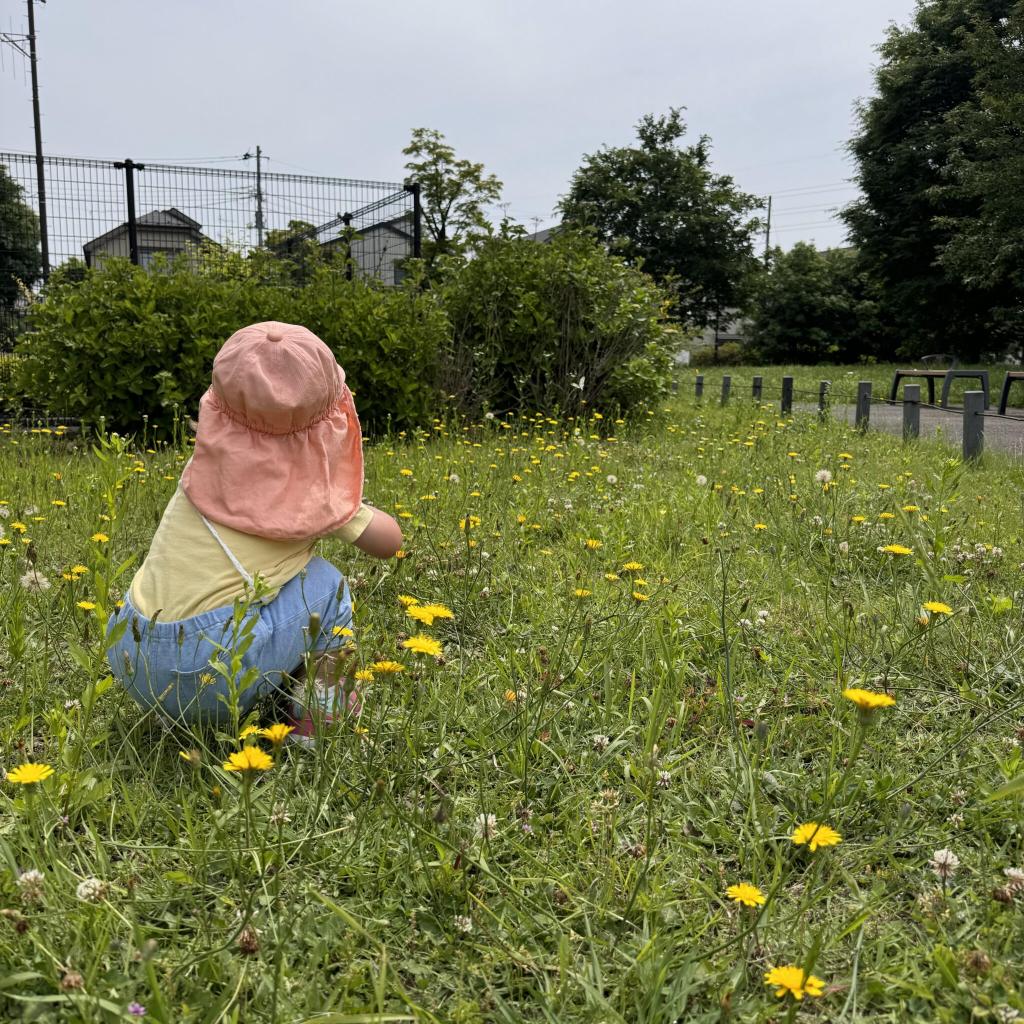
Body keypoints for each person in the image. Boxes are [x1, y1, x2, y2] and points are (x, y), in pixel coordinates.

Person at [106, 321, 402, 740]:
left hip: (129, 651)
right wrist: (350, 507)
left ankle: (174, 708)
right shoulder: (315, 494)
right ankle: (318, 717)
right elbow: (390, 543)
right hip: (207, 671)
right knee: (327, 587)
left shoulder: (202, 473)